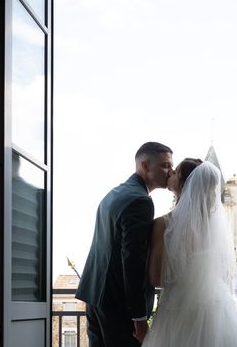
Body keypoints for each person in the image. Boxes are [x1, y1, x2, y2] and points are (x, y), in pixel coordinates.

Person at [142, 160, 237, 347]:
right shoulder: (213, 227)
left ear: (184, 183)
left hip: (178, 309)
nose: (170, 174)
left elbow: (156, 278)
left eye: (175, 172)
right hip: (216, 306)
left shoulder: (163, 225)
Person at [75, 141, 174, 346]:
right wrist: (139, 318)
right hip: (118, 307)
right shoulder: (140, 201)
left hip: (94, 298)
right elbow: (133, 261)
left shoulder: (113, 194)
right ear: (145, 166)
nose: (170, 171)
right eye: (165, 165)